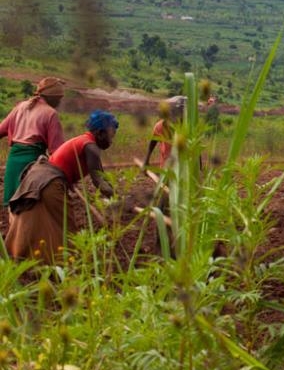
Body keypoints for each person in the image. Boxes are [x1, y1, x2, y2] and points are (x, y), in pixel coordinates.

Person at [4, 111, 118, 263]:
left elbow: (102, 176)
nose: (111, 141)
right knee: (67, 227)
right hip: (50, 182)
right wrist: (118, 201)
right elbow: (100, 182)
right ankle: (72, 264)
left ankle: (25, 258)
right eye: (111, 136)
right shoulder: (90, 146)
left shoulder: (84, 141)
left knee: (34, 220)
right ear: (100, 133)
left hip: (38, 177)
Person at [0, 77, 66, 207]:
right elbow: (56, 151)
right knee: (31, 206)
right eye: (59, 98)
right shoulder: (51, 113)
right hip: (33, 164)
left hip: (13, 163)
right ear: (52, 97)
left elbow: (1, 130)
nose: (59, 102)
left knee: (13, 206)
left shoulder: (20, 107)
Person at [142, 96, 186, 169]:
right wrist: (147, 159)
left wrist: (198, 168)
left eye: (182, 113)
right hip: (166, 166)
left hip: (185, 169)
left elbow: (196, 148)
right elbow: (153, 141)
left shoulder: (189, 128)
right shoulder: (160, 126)